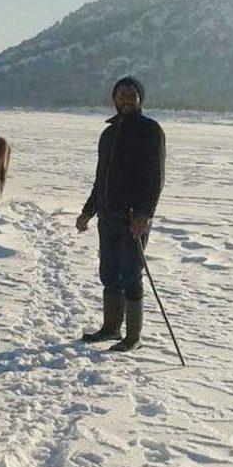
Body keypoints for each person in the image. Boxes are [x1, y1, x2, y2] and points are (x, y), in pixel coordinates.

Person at [76, 76, 165, 352]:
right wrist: (88, 210)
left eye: (131, 95)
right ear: (114, 99)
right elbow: (101, 178)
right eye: (121, 95)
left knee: (130, 274)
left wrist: (144, 214)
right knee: (109, 272)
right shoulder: (109, 133)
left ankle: (133, 336)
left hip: (132, 218)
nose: (126, 99)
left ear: (140, 99)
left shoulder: (150, 130)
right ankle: (111, 328)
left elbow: (155, 178)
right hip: (108, 215)